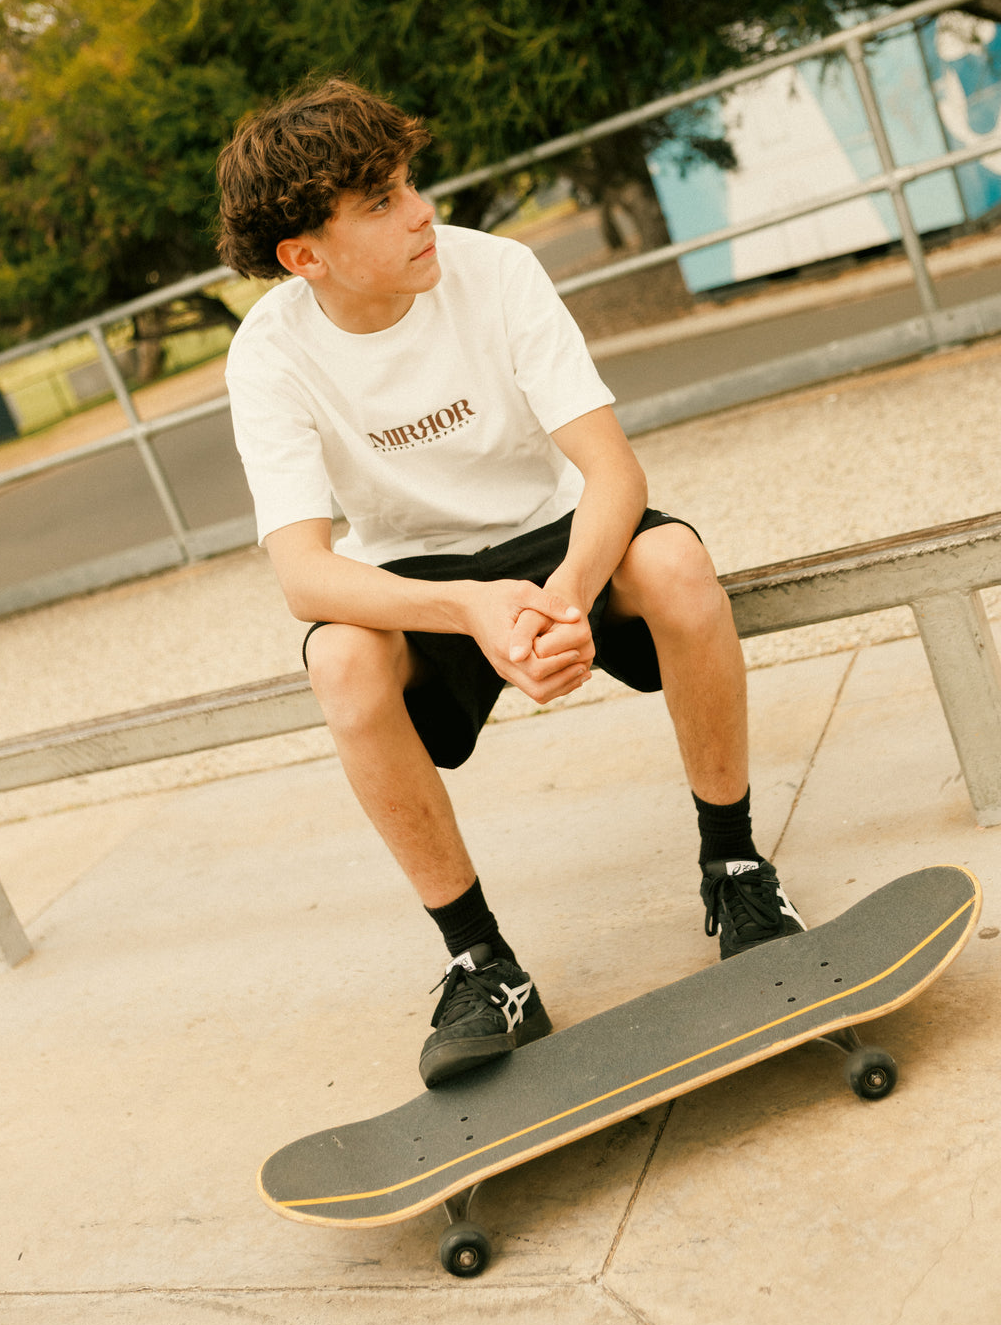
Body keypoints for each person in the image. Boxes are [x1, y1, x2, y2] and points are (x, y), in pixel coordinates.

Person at [217, 76, 804, 1089]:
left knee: (672, 561)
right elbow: (305, 576)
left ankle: (736, 868)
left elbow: (614, 472)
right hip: (420, 576)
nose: (420, 212)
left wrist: (566, 595)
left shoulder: (494, 272)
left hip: (555, 536)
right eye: (380, 204)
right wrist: (467, 609)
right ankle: (481, 963)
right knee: (342, 663)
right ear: (303, 255)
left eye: (408, 182)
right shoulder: (269, 353)